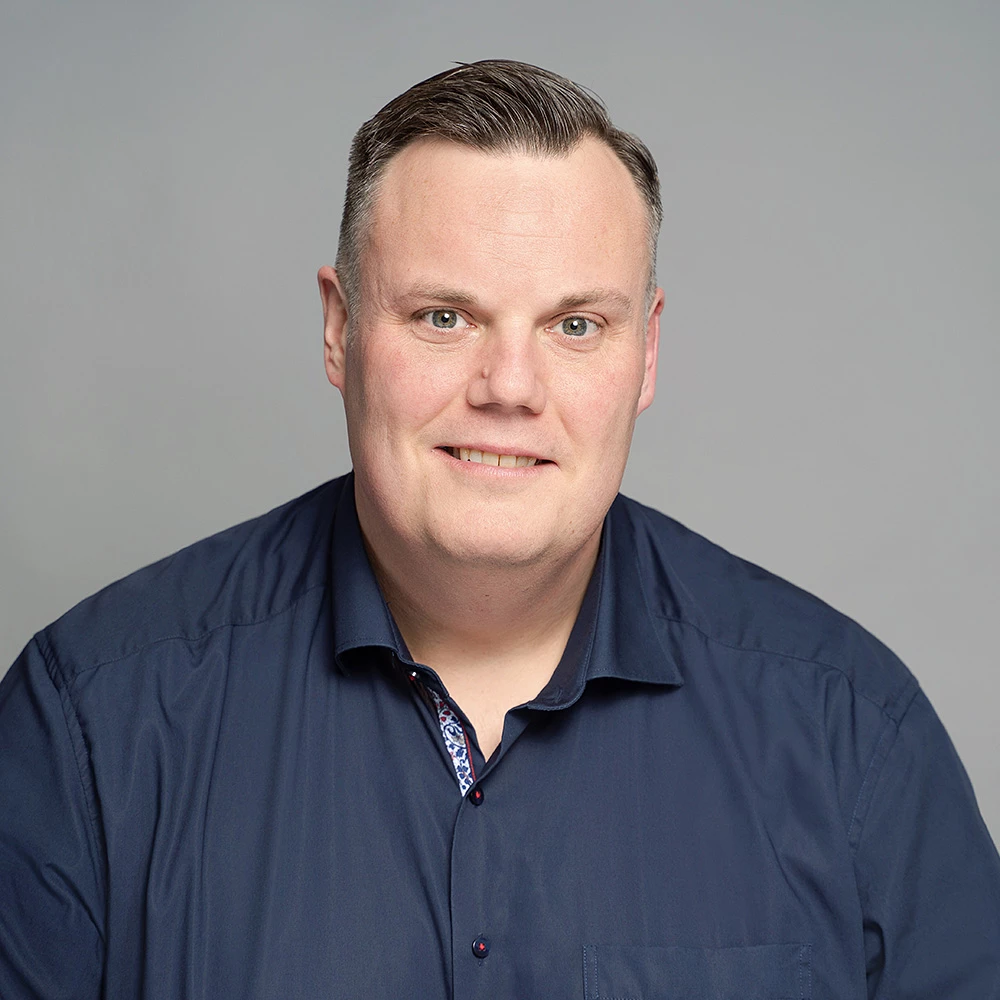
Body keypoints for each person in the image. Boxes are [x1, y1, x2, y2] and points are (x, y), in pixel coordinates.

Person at [1, 59, 997, 1000]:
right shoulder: (88, 725)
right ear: (340, 330)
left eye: (575, 325)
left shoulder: (849, 732)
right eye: (445, 317)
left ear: (646, 353)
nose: (509, 388)